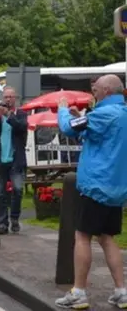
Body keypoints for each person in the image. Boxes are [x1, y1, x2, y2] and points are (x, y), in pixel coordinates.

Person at [54, 75, 127, 309]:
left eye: (95, 89)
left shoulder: (103, 114)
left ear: (106, 90)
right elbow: (98, 135)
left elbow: (67, 128)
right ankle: (121, 290)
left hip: (95, 185)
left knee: (82, 236)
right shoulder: (122, 113)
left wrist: (64, 110)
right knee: (107, 238)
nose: (93, 93)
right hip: (116, 187)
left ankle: (79, 291)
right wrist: (83, 118)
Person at [0, 87, 28, 234]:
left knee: (18, 190)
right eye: (5, 97)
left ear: (15, 99)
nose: (8, 99)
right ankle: (2, 222)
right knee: (0, 192)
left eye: (10, 97)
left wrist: (9, 115)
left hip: (16, 159)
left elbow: (21, 128)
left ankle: (14, 219)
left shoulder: (20, 114)